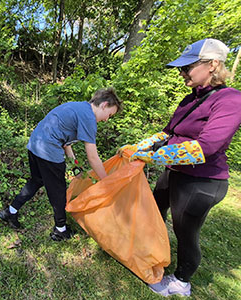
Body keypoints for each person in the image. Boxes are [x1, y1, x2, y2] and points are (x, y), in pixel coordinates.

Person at [119, 38, 241, 297]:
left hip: (202, 181)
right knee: (153, 210)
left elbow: (205, 146)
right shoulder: (190, 99)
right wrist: (140, 147)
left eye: (187, 67)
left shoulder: (230, 100)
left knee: (185, 230)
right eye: (180, 68)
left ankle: (181, 280)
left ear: (213, 65)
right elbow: (167, 132)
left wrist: (155, 157)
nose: (182, 73)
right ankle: (150, 251)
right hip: (174, 172)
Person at [0, 88, 123, 241]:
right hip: (48, 149)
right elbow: (93, 157)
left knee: (36, 181)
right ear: (104, 105)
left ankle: (10, 212)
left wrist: (74, 164)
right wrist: (107, 182)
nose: (106, 120)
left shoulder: (78, 107)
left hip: (35, 144)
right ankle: (60, 230)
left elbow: (65, 140)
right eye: (109, 115)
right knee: (58, 192)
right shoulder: (89, 117)